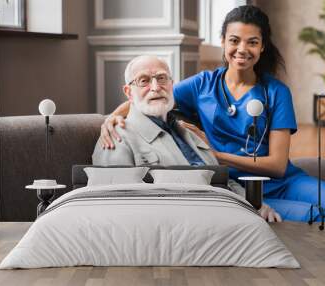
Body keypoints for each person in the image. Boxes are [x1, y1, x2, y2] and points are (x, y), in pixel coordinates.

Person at [98, 5, 325, 222]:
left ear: (262, 47)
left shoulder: (276, 92)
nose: (242, 49)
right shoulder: (201, 85)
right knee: (316, 217)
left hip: (283, 182)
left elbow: (277, 165)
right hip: (238, 188)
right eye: (234, 40)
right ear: (223, 41)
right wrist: (112, 117)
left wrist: (216, 155)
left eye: (252, 42)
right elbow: (150, 95)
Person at [93, 55, 282, 222]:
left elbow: (221, 180)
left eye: (161, 78)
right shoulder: (116, 138)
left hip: (228, 219)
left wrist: (255, 205)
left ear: (171, 85)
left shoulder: (189, 132)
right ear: (128, 92)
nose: (155, 87)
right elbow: (114, 211)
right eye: (143, 81)